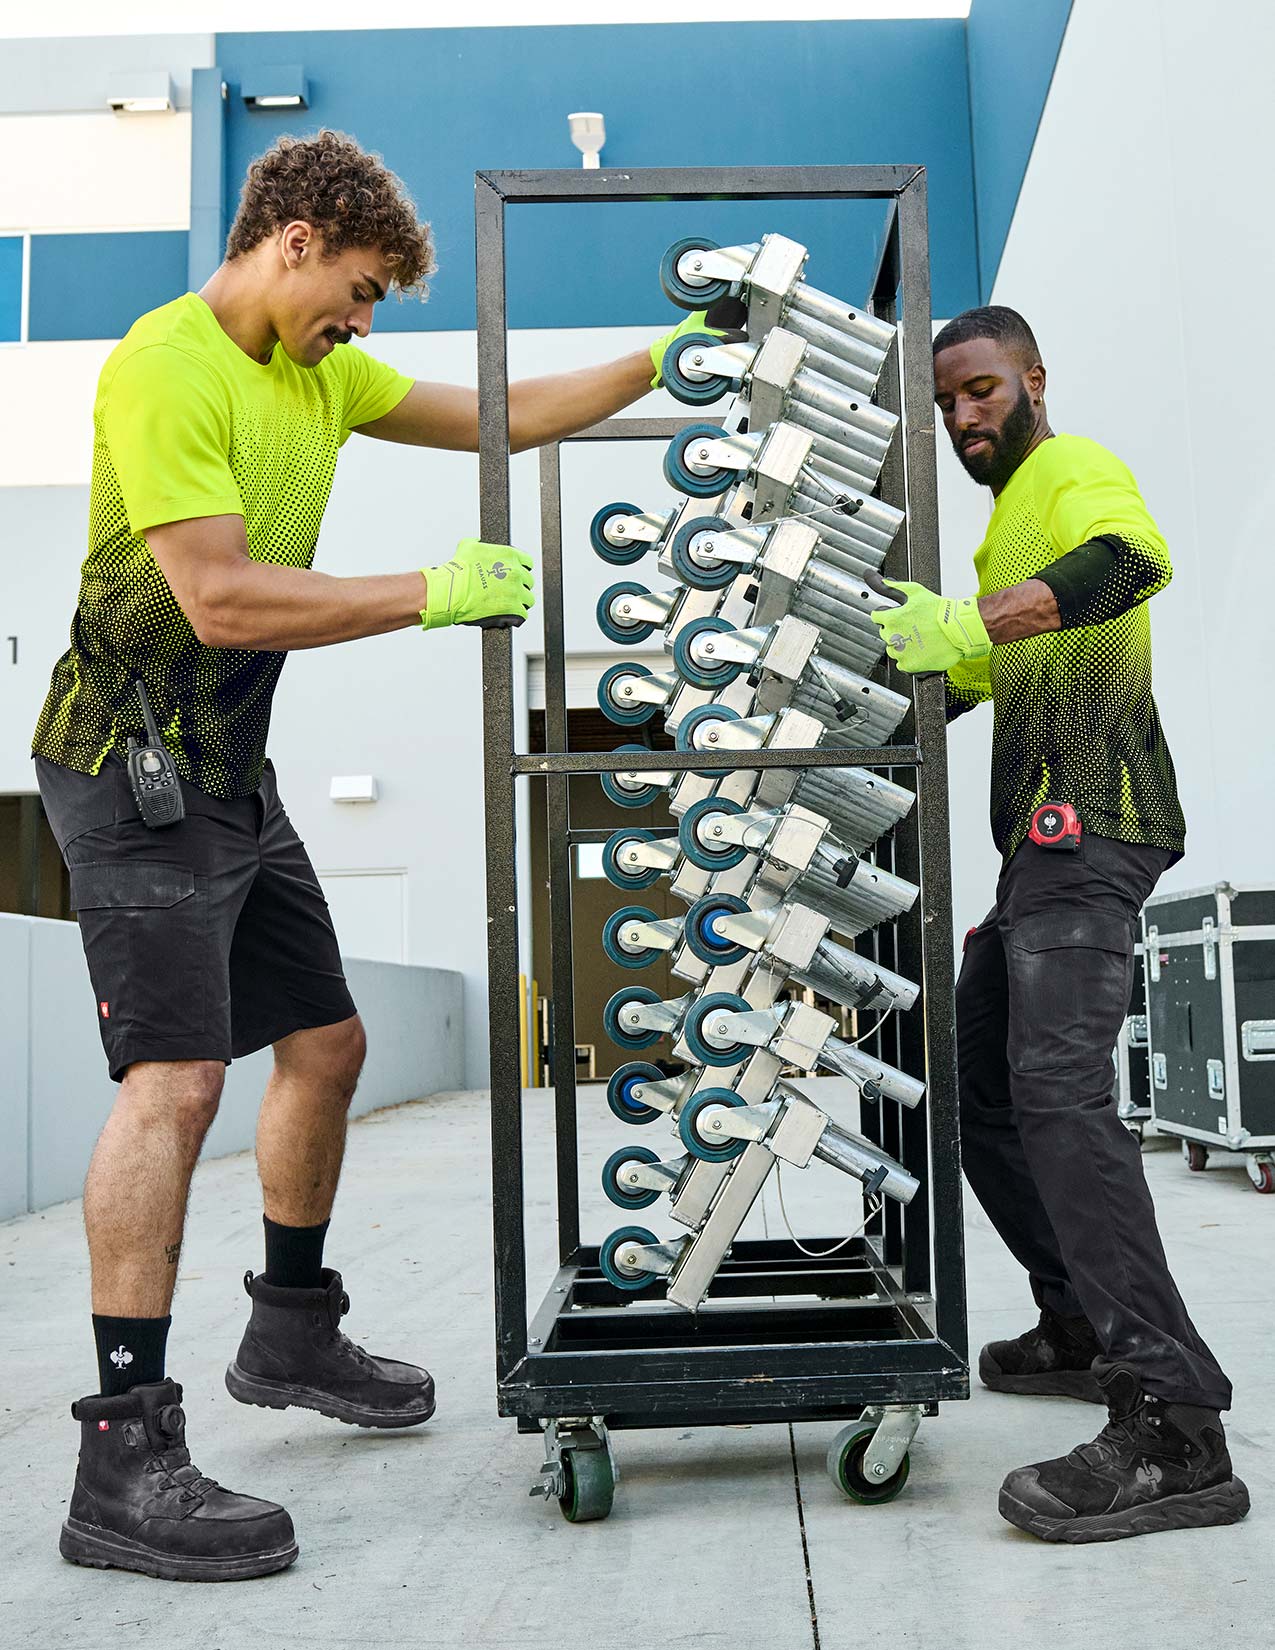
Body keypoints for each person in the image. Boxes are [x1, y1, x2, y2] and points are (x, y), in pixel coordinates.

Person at [35, 128, 709, 1582]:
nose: (362, 321)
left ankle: (289, 1327)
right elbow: (213, 596)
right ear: (292, 238)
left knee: (326, 1044)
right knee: (177, 1075)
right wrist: (428, 591)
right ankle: (121, 1454)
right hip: (125, 759)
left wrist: (662, 360)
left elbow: (501, 414)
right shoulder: (166, 365)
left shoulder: (318, 375)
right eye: (354, 288)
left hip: (228, 771)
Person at [871, 305, 1249, 1544]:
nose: (964, 418)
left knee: (1062, 1091)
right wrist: (902, 658)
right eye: (947, 406)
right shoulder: (999, 530)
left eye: (980, 390)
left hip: (1097, 824)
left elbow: (1130, 563)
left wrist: (974, 621)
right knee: (981, 1078)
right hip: (1037, 854)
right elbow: (975, 670)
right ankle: (1079, 1320)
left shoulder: (1074, 473)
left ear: (1033, 379)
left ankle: (1175, 1417)